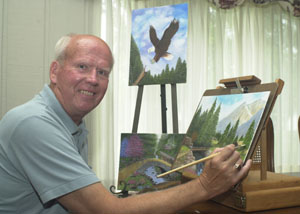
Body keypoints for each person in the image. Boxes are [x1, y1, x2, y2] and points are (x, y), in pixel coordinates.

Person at [0, 34, 252, 214]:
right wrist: (205, 185)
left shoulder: (71, 121)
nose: (93, 79)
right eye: (82, 67)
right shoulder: (34, 123)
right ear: (55, 71)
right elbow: (103, 210)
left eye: (103, 72)